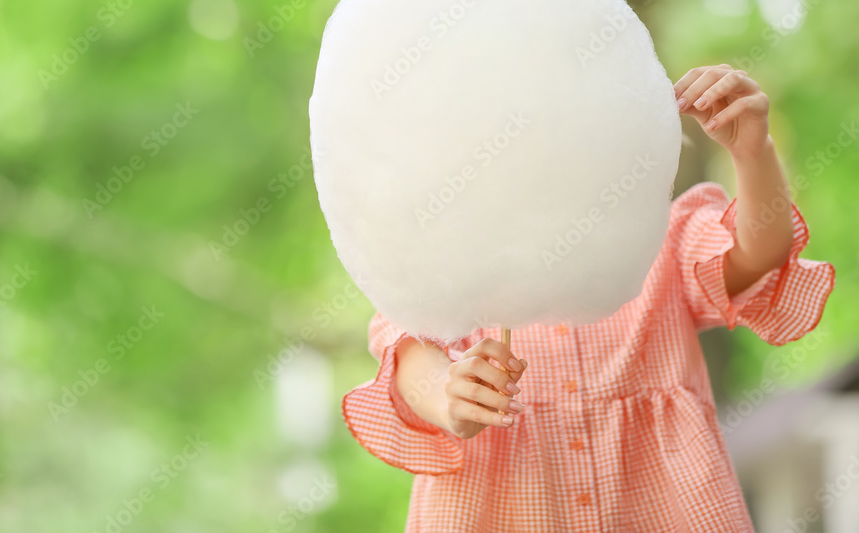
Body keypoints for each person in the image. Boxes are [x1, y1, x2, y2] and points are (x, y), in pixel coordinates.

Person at [341, 65, 836, 532]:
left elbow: (758, 255)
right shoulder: (443, 265)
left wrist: (754, 153)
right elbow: (407, 358)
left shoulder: (656, 243)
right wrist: (450, 394)